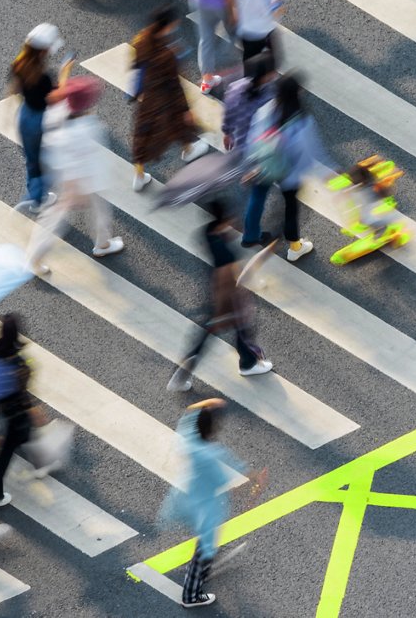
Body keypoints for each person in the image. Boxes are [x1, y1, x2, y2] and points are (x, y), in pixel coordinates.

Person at [161, 399, 265, 608]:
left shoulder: (189, 438)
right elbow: (228, 482)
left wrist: (209, 403)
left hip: (185, 498)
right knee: (205, 547)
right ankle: (191, 595)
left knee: (206, 544)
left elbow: (190, 411)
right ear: (212, 429)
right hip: (204, 507)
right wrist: (255, 481)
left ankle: (202, 572)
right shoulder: (211, 454)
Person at [169, 201, 271, 392]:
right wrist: (224, 306)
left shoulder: (208, 232)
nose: (234, 219)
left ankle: (247, 362)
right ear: (224, 219)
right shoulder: (225, 253)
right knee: (239, 324)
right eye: (230, 217)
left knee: (239, 327)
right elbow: (224, 276)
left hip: (215, 291)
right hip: (224, 296)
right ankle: (247, 364)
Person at [27, 77, 125, 273]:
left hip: (64, 172)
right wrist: (77, 190)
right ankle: (101, 244)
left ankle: (102, 243)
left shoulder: (57, 112)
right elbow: (86, 157)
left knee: (65, 214)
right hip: (82, 178)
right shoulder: (87, 128)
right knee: (66, 216)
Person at [240, 73, 331, 262]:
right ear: (298, 92)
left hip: (264, 164)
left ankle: (250, 235)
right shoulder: (301, 122)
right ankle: (294, 247)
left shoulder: (267, 110)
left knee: (257, 196)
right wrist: (325, 172)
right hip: (288, 173)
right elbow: (308, 152)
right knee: (290, 207)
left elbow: (254, 136)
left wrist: (253, 163)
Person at [130, 7, 211, 193]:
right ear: (168, 26)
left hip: (148, 98)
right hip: (166, 98)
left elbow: (137, 67)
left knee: (143, 135)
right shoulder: (167, 55)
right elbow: (175, 85)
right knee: (179, 123)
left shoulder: (141, 40)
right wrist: (186, 109)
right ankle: (189, 150)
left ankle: (139, 175)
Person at [11, 24, 72, 215]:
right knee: (46, 161)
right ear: (44, 50)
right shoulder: (42, 77)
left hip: (24, 115)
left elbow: (15, 89)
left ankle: (35, 195)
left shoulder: (19, 64)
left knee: (32, 159)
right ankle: (37, 198)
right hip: (39, 120)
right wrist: (65, 72)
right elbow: (57, 97)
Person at [0, 315, 36, 510]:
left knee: (17, 438)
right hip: (13, 414)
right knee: (6, 452)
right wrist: (31, 409)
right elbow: (21, 393)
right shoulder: (19, 365)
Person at [222, 52, 279, 160]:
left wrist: (227, 133)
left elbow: (229, 114)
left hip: (243, 142)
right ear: (264, 77)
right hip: (258, 145)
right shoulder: (270, 95)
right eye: (272, 71)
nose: (275, 74)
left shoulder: (235, 88)